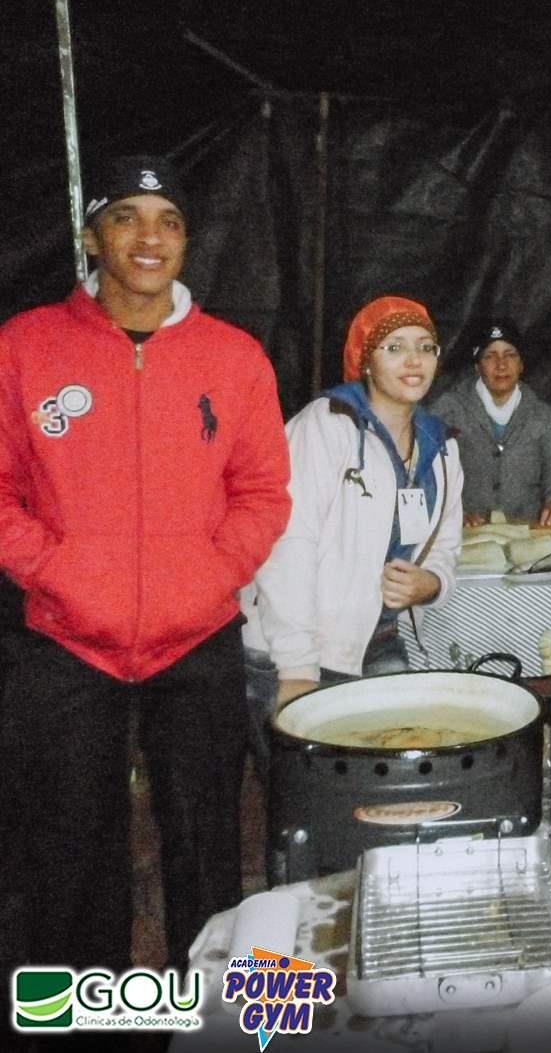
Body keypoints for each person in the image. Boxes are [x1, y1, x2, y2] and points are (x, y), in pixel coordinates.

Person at [0, 156, 292, 982]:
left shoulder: (234, 357)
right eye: (125, 216)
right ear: (92, 237)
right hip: (65, 641)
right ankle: (80, 1016)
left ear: (187, 241)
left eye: (168, 220)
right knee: (68, 850)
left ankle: (202, 1012)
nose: (148, 237)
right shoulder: (25, 346)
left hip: (196, 637)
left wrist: (207, 576)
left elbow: (263, 492)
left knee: (205, 843)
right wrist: (58, 570)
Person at [242, 295, 464, 723]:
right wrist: (297, 667)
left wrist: (432, 582)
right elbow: (288, 544)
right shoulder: (326, 426)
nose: (414, 360)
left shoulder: (442, 447)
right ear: (366, 361)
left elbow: (446, 544)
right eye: (394, 347)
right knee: (309, 767)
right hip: (295, 650)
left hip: (378, 640)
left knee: (394, 750)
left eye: (425, 347)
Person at [432, 316, 551, 526]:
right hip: (464, 533)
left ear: (521, 365)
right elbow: (429, 474)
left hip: (528, 532)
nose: (501, 365)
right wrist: (451, 512)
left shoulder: (544, 418)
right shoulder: (447, 411)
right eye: (490, 356)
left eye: (510, 355)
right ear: (477, 367)